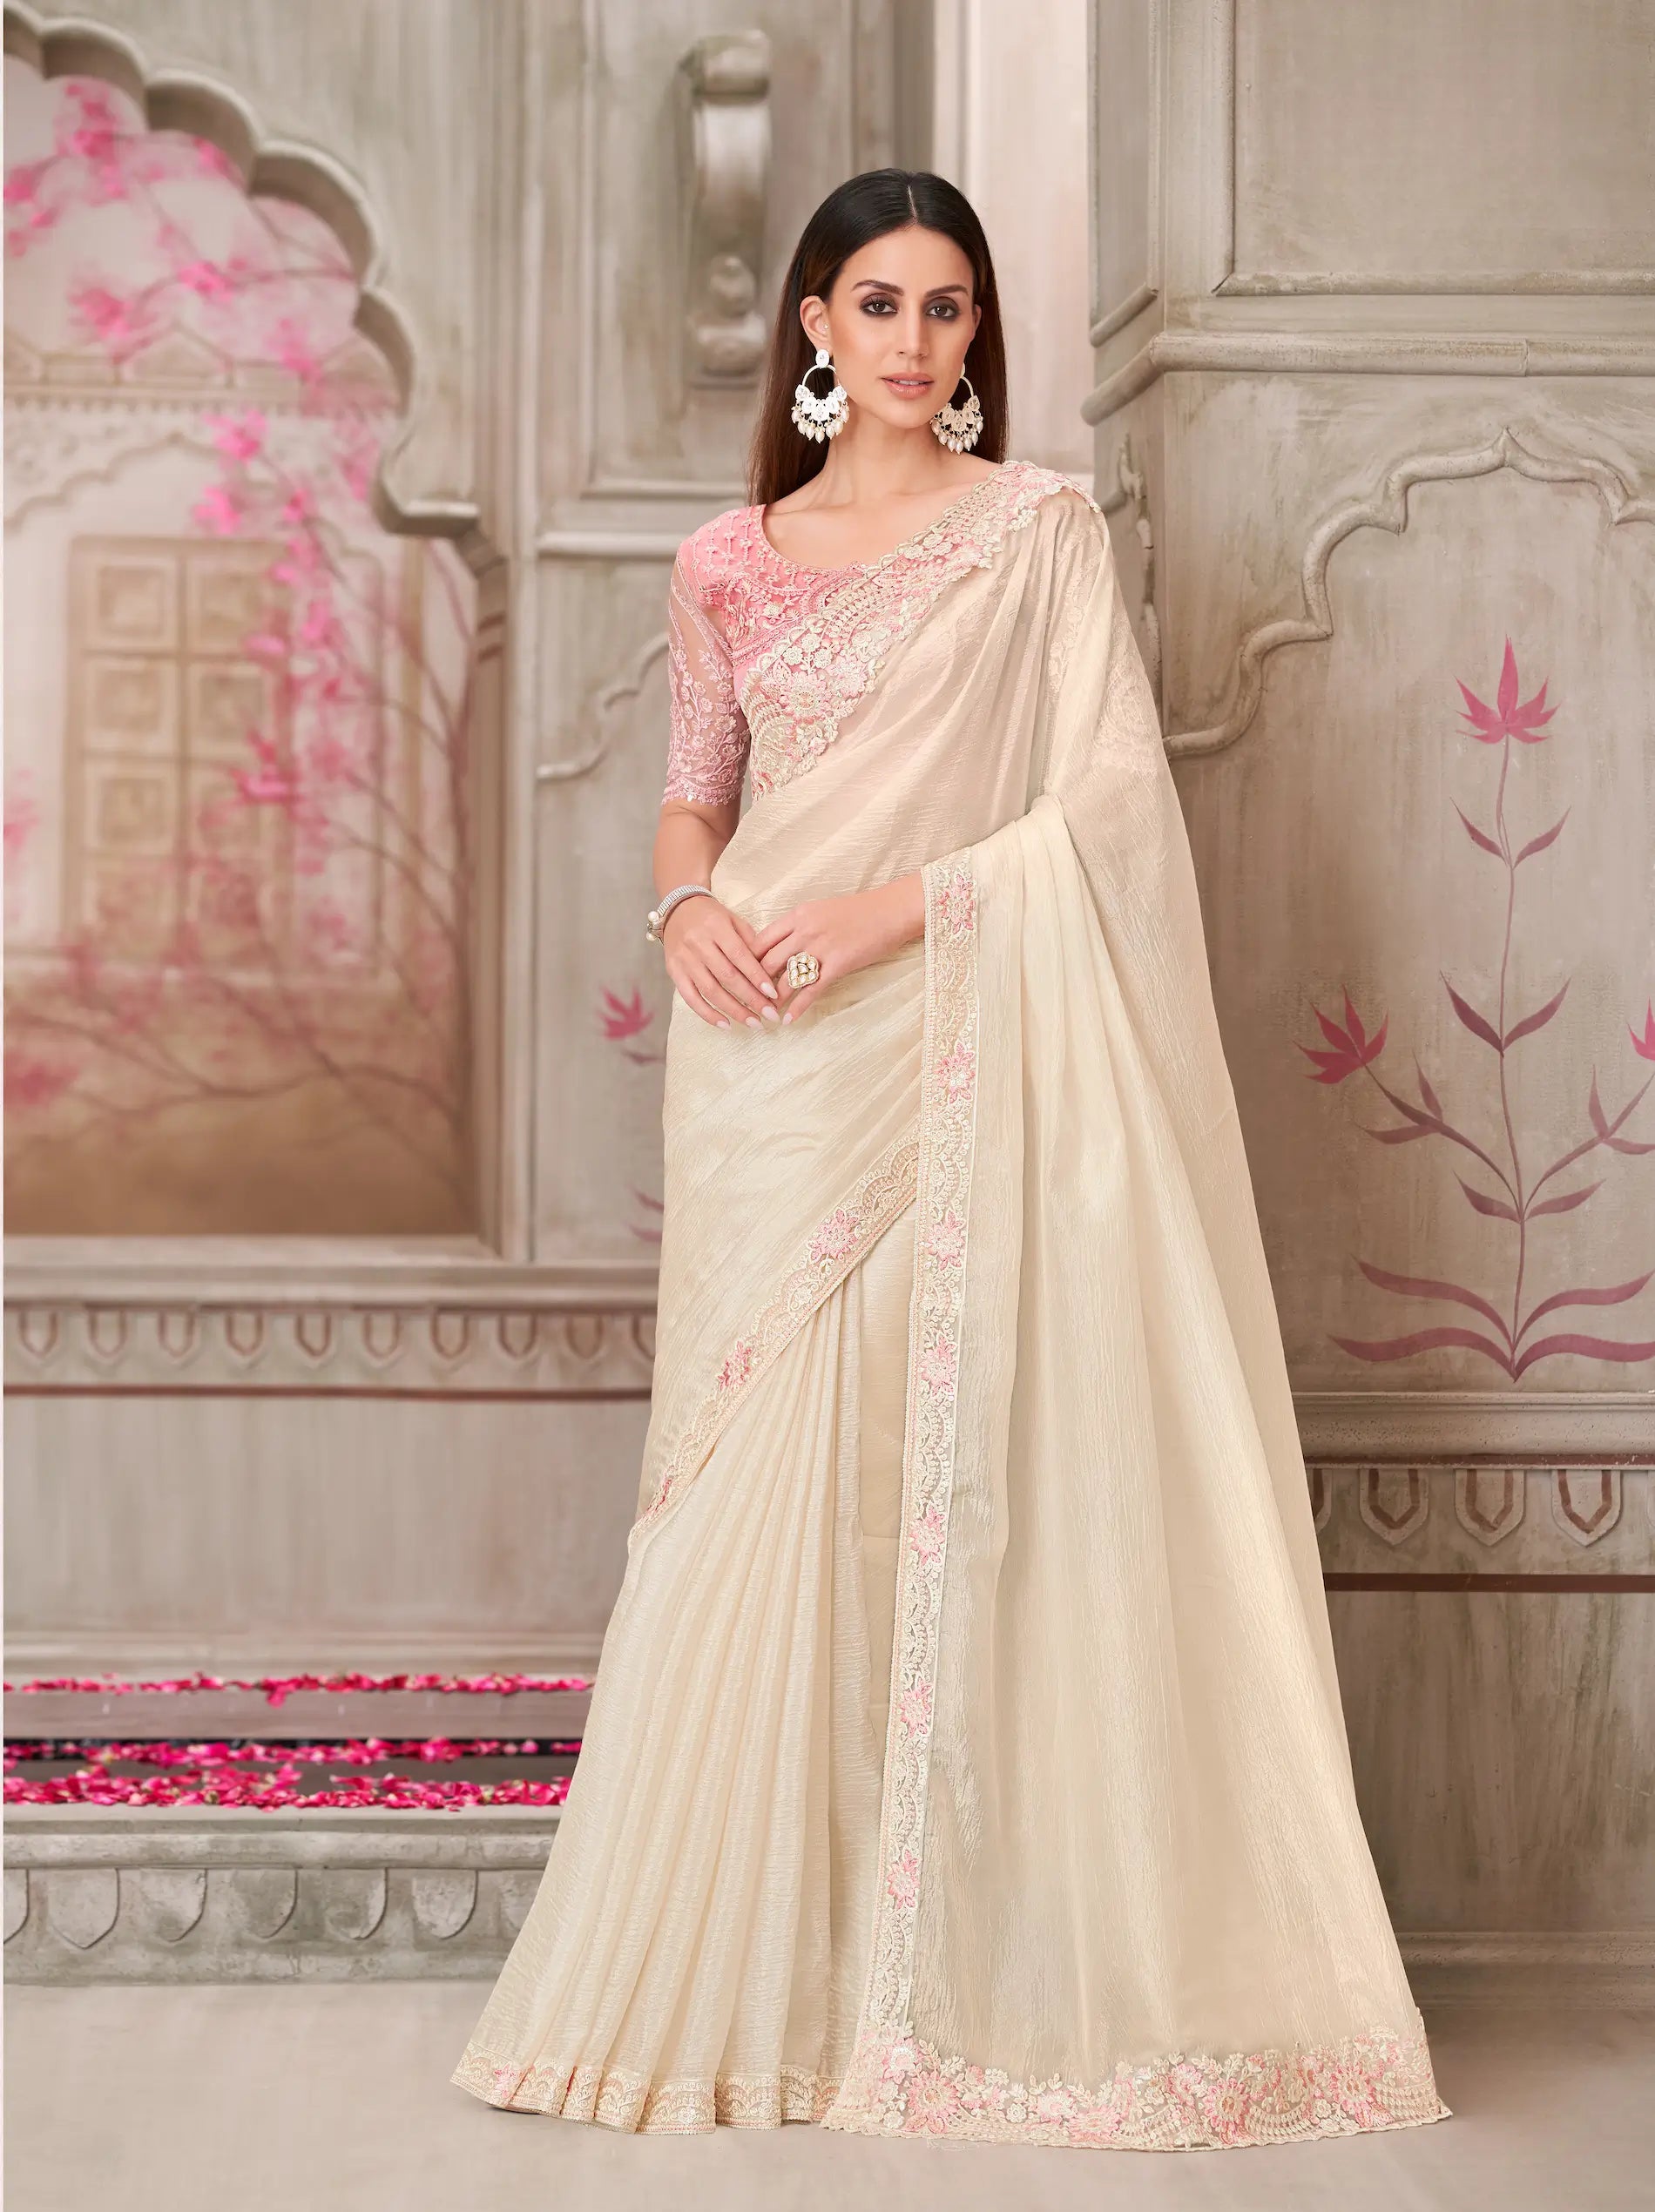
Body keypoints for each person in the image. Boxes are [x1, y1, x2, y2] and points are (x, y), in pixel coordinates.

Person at [450, 168, 1451, 2151]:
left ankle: (937, 1981)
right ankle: (745, 1982)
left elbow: (1107, 809)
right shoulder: (723, 562)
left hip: (948, 1022)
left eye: (948, 307)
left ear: (975, 333)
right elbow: (691, 796)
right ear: (813, 326)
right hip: (762, 1057)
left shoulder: (1035, 535)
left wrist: (894, 913)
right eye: (881, 304)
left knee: (957, 1472)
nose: (916, 341)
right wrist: (686, 908)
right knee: (750, 1491)